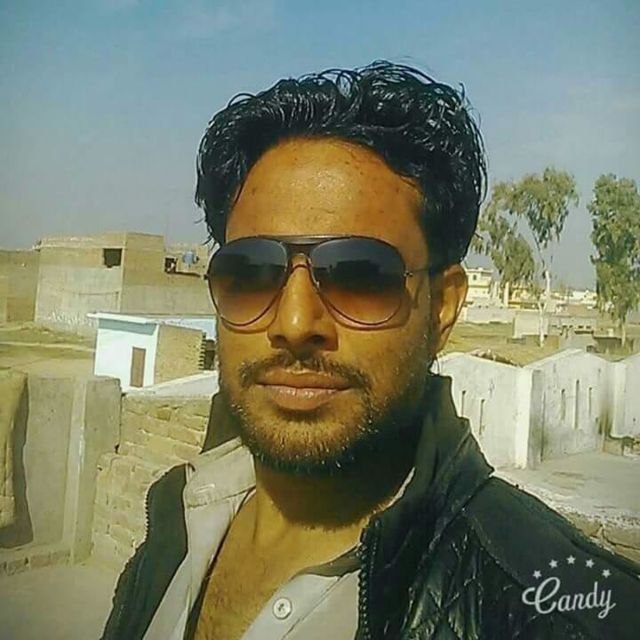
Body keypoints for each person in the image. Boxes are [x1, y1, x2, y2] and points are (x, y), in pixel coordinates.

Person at [101, 61, 640, 640]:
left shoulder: (560, 614)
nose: (295, 323)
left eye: (359, 275)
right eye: (252, 273)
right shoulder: (176, 521)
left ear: (442, 307)